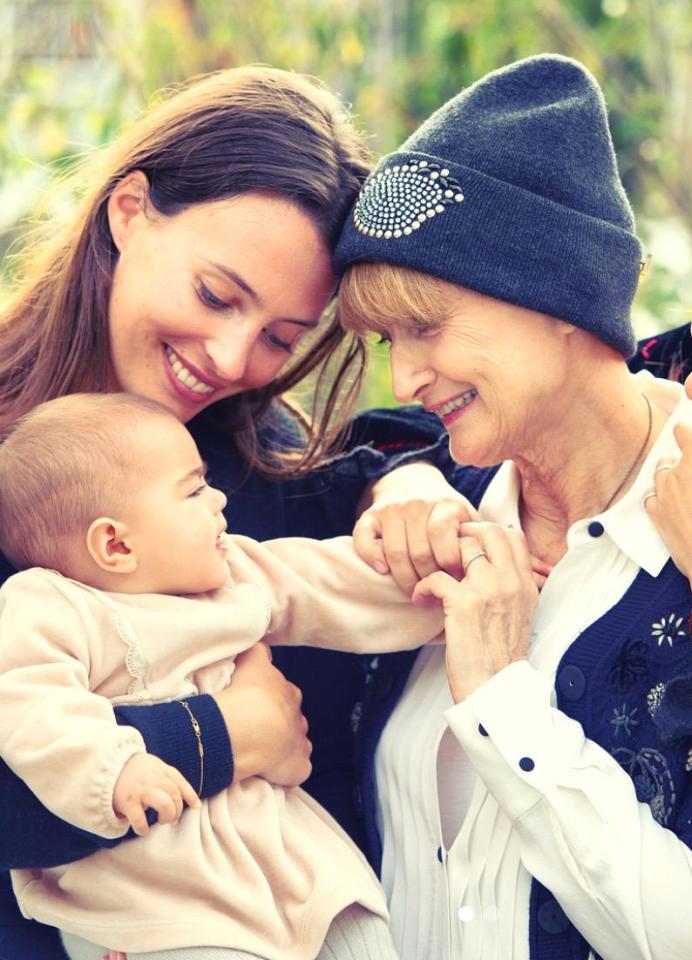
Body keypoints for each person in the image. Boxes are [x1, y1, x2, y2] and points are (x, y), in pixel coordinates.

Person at [0, 65, 461, 960]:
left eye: (282, 338)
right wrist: (226, 737)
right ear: (129, 211)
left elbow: (368, 469)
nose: (227, 356)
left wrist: (401, 488)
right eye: (216, 295)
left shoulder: (250, 456)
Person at [334, 53, 692, 960]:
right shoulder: (437, 502)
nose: (405, 376)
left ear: (559, 294)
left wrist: (503, 702)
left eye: (427, 325)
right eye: (386, 341)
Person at [0, 391, 448, 960]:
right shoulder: (49, 605)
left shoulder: (229, 574)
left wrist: (452, 587)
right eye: (193, 490)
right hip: (152, 902)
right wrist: (114, 769)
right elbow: (29, 705)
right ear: (115, 543)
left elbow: (328, 582)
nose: (218, 499)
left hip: (277, 864)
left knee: (357, 929)